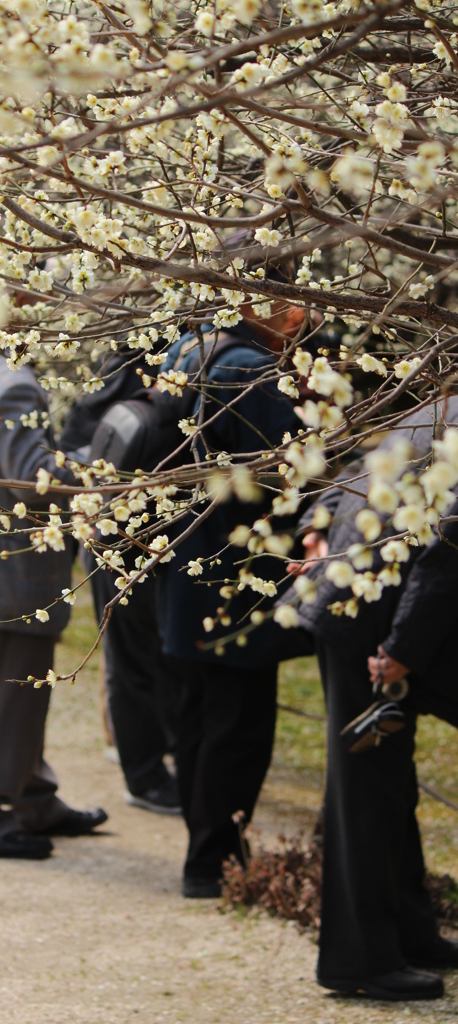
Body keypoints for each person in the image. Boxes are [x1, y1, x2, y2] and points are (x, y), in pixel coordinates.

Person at [288, 400, 458, 1000]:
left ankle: (409, 931)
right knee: (364, 788)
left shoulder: (445, 399)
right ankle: (356, 959)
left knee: (388, 782)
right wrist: (403, 651)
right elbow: (449, 549)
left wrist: (314, 526)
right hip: (367, 616)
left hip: (369, 594)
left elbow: (356, 468)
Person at [157, 293, 311, 898]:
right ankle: (215, 860)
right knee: (238, 723)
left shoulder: (186, 350)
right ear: (265, 303)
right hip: (236, 572)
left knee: (197, 716)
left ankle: (206, 852)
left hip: (186, 561)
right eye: (292, 301)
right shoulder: (250, 370)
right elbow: (294, 469)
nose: (300, 314)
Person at [0, 344, 107, 860]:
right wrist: (107, 471)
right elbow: (35, 476)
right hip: (15, 572)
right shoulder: (13, 384)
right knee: (9, 698)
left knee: (12, 695)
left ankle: (34, 797)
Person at [60, 348, 181, 814]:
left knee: (147, 651)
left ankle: (153, 755)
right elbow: (85, 432)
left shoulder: (178, 339)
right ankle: (144, 774)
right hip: (122, 525)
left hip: (149, 522)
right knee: (131, 652)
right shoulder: (137, 350)